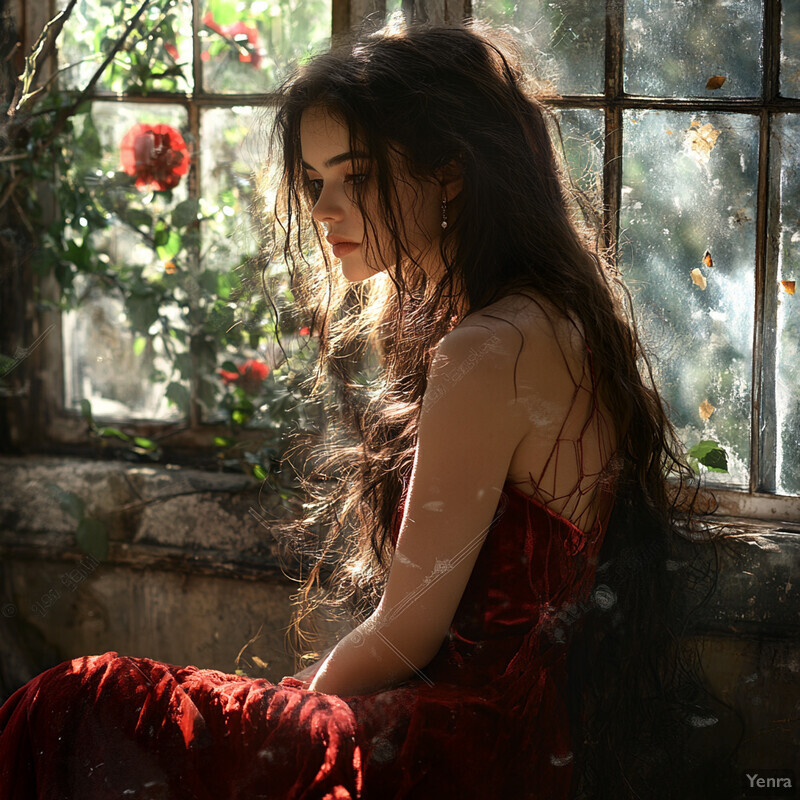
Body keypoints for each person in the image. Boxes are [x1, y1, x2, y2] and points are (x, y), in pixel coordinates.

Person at [0, 18, 728, 800]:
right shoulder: (543, 318)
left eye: (358, 177)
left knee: (82, 704)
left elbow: (407, 630)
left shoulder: (490, 348)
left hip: (458, 745)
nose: (324, 209)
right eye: (314, 182)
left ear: (449, 173)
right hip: (510, 736)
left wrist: (292, 698)